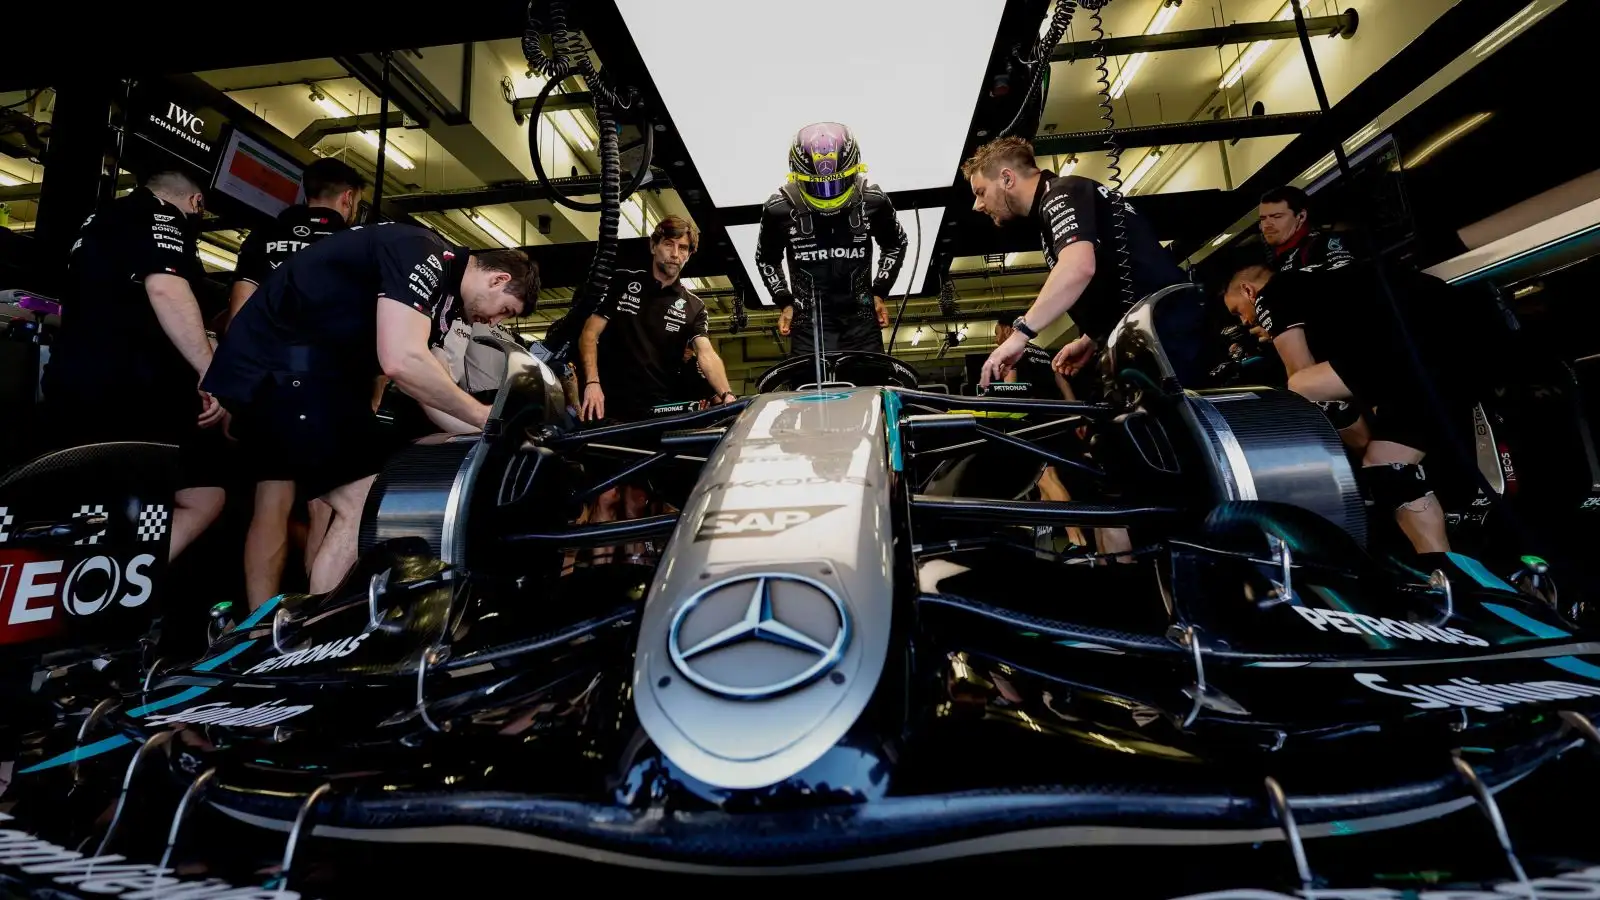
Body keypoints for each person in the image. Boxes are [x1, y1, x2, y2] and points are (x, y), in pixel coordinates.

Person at [204, 221, 536, 593]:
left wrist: (488, 431)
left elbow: (430, 385)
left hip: (314, 377)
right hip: (285, 369)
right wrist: (482, 417)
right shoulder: (422, 251)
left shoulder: (445, 300)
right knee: (361, 499)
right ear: (497, 280)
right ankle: (324, 630)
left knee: (364, 496)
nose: (495, 322)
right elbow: (400, 361)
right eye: (505, 310)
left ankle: (320, 623)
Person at [40, 168, 227, 561]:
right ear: (197, 203)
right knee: (180, 497)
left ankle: (88, 587)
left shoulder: (100, 219)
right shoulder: (162, 214)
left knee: (93, 500)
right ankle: (114, 587)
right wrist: (213, 373)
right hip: (132, 388)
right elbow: (166, 287)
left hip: (72, 380)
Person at [1222, 259, 1458, 555]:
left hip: (1419, 341)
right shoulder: (1328, 282)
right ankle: (1447, 571)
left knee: (1300, 387)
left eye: (1237, 311)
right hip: (1450, 350)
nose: (1244, 322)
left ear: (1248, 291)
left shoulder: (1274, 291)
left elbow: (1300, 372)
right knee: (1387, 468)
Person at [225, 157, 368, 610]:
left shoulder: (264, 237)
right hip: (330, 387)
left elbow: (239, 318)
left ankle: (255, 624)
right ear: (348, 199)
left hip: (270, 384)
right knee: (328, 505)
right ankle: (318, 615)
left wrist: (235, 389)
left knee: (271, 502)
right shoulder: (354, 244)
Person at [963, 137, 1192, 390]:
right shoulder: (1058, 204)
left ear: (1007, 178)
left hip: (1170, 333)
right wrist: (1091, 337)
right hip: (1152, 334)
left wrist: (1019, 335)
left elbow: (1078, 266)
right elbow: (1114, 273)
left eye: (980, 192)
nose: (977, 205)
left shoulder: (1062, 194)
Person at [578, 216, 736, 564]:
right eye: (669, 244)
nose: (675, 253)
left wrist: (726, 396)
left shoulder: (694, 307)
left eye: (683, 248)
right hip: (608, 408)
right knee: (605, 497)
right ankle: (599, 578)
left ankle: (637, 576)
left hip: (654, 416)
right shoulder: (622, 283)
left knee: (636, 501)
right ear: (654, 245)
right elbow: (589, 334)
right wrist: (592, 383)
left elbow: (706, 353)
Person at [755, 122, 908, 358]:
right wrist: (785, 302)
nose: (828, 190)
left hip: (862, 320)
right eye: (818, 184)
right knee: (810, 394)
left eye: (836, 182)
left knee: (869, 391)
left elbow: (896, 243)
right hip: (809, 325)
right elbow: (766, 258)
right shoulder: (778, 209)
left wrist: (879, 291)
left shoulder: (874, 201)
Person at [1258, 185, 1354, 273]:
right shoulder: (1270, 263)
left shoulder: (1319, 244)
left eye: (1276, 216)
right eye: (1263, 219)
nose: (1267, 225)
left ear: (1301, 216)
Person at [990, 311, 1074, 400]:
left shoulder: (1011, 353)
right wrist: (1074, 410)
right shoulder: (1044, 353)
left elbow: (1010, 390)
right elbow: (1063, 384)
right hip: (1051, 409)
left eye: (997, 334)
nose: (996, 340)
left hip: (1029, 410)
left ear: (1007, 330)